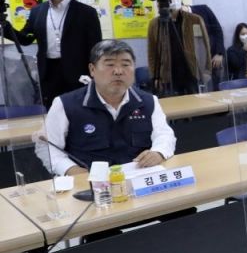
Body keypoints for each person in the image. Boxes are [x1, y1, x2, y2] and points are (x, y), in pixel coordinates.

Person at [39, 40, 175, 176]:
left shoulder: (148, 101)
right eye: (110, 65)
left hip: (139, 177)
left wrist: (159, 152)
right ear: (92, 69)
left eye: (126, 64)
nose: (118, 71)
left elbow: (164, 134)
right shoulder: (66, 104)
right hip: (89, 181)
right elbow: (47, 146)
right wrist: (70, 170)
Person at [3, 0, 102, 107]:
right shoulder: (37, 11)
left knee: (78, 109)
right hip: (48, 71)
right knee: (52, 109)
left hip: (77, 71)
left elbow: (96, 46)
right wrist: (5, 26)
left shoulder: (86, 12)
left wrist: (94, 73)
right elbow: (25, 39)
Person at [146, 0, 212, 96]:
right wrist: (155, 77)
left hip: (192, 72)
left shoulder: (195, 19)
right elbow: (152, 53)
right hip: (167, 75)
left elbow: (205, 47)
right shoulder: (154, 24)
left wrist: (207, 71)